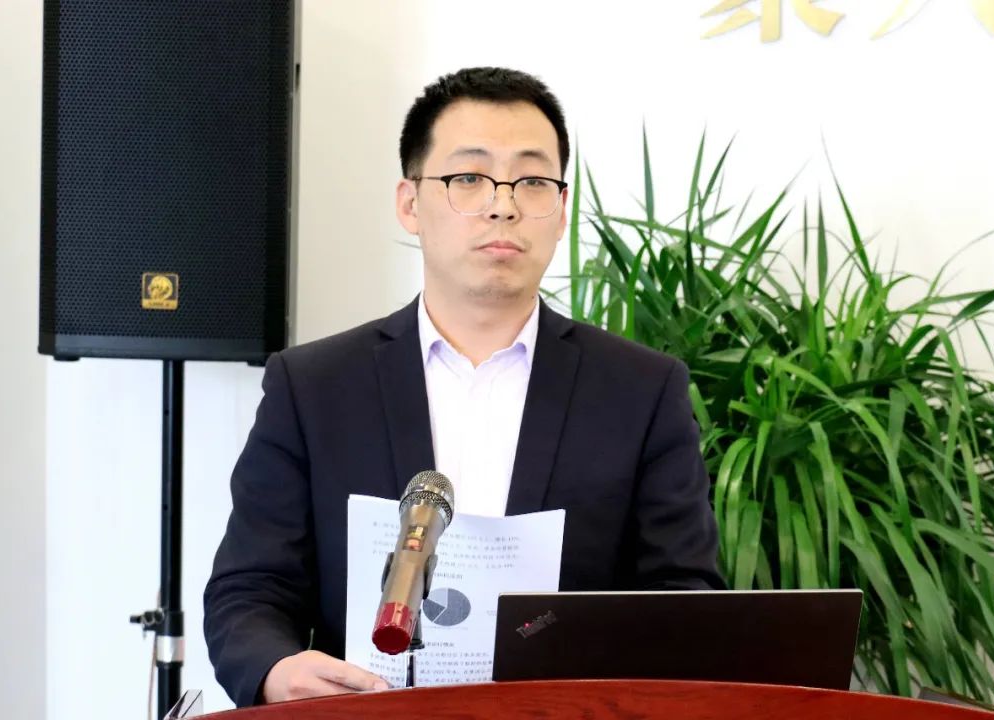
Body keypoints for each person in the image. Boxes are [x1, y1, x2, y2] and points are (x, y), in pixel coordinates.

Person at [203, 66, 723, 708]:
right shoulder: (313, 387)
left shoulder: (641, 390)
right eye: (469, 178)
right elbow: (249, 591)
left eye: (532, 181)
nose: (503, 204)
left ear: (561, 210)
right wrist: (276, 669)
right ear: (409, 203)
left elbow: (684, 596)